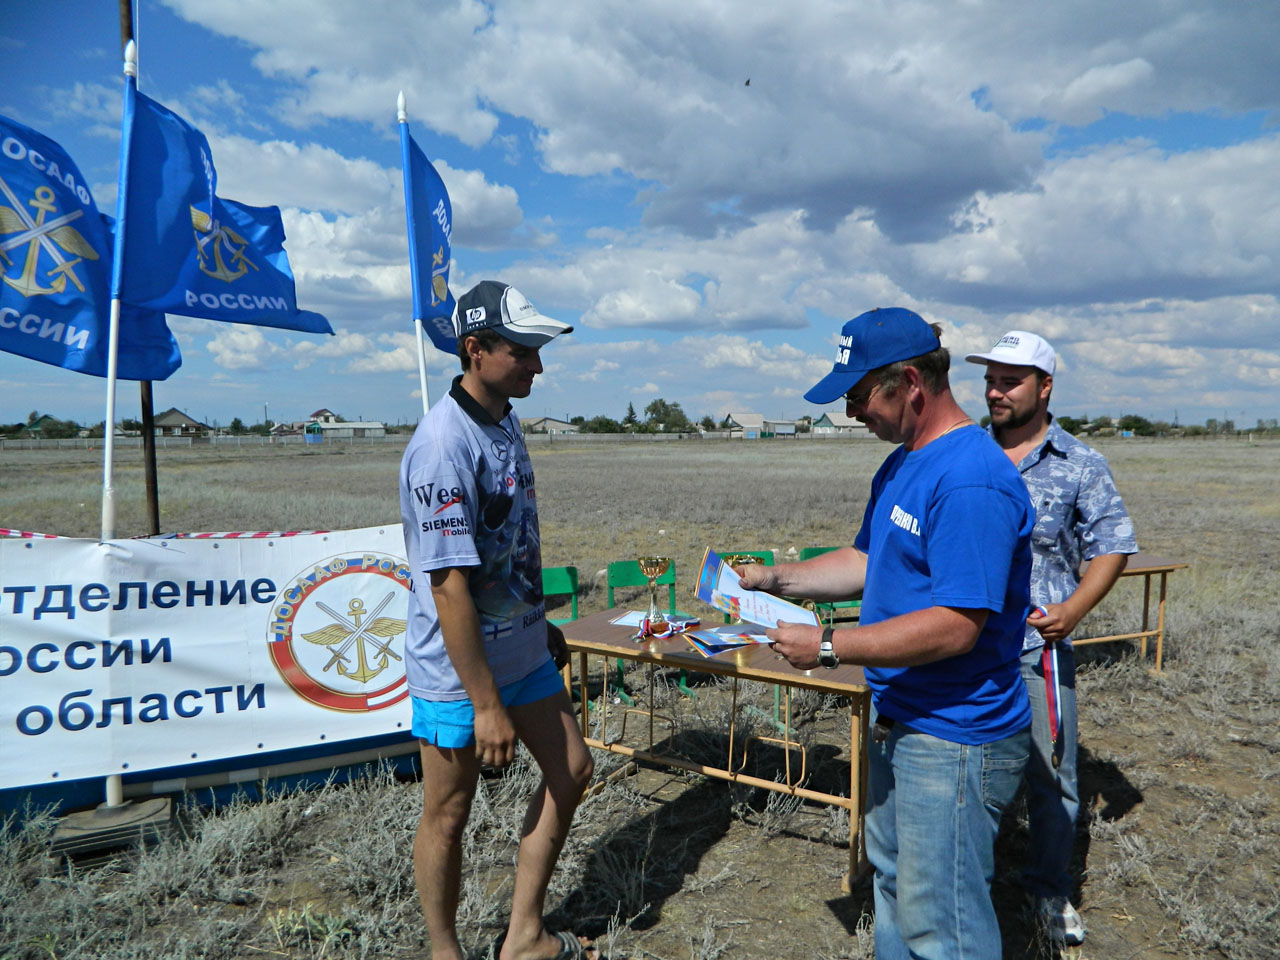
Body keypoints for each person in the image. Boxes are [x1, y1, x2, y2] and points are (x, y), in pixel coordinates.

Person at [737, 307, 1033, 959]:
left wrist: (829, 647)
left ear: (910, 382)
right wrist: (775, 578)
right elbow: (867, 560)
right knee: (896, 890)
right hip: (900, 719)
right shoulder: (905, 463)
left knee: (943, 925)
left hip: (952, 737)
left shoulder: (970, 480)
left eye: (858, 395)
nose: (850, 413)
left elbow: (957, 626)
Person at [399, 280, 597, 960]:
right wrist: (486, 705)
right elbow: (449, 584)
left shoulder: (505, 419)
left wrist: (535, 621)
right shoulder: (442, 447)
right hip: (460, 674)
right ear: (475, 349)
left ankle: (524, 937)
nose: (537, 366)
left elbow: (506, 541)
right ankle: (444, 950)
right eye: (523, 352)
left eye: (538, 352)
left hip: (522, 650)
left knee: (572, 769)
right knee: (449, 812)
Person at [966, 330, 1137, 947]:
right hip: (963, 646)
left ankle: (1047, 889)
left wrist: (1073, 610)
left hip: (1036, 649)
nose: (996, 392)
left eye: (1011, 381)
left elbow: (1113, 543)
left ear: (1045, 388)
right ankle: (967, 885)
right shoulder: (966, 455)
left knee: (1053, 775)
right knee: (966, 768)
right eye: (991, 380)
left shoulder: (1079, 463)